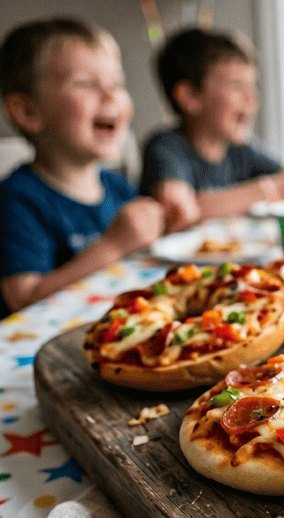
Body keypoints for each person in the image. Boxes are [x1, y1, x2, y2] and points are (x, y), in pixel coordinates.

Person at [0, 18, 164, 317]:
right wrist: (113, 247)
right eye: (86, 83)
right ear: (27, 111)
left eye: (117, 84)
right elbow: (22, 300)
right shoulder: (17, 199)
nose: (110, 95)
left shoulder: (117, 186)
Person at [139, 27, 284, 230]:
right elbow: (184, 210)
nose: (252, 98)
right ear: (190, 97)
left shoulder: (240, 151)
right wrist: (267, 189)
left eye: (252, 86)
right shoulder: (165, 147)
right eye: (236, 86)